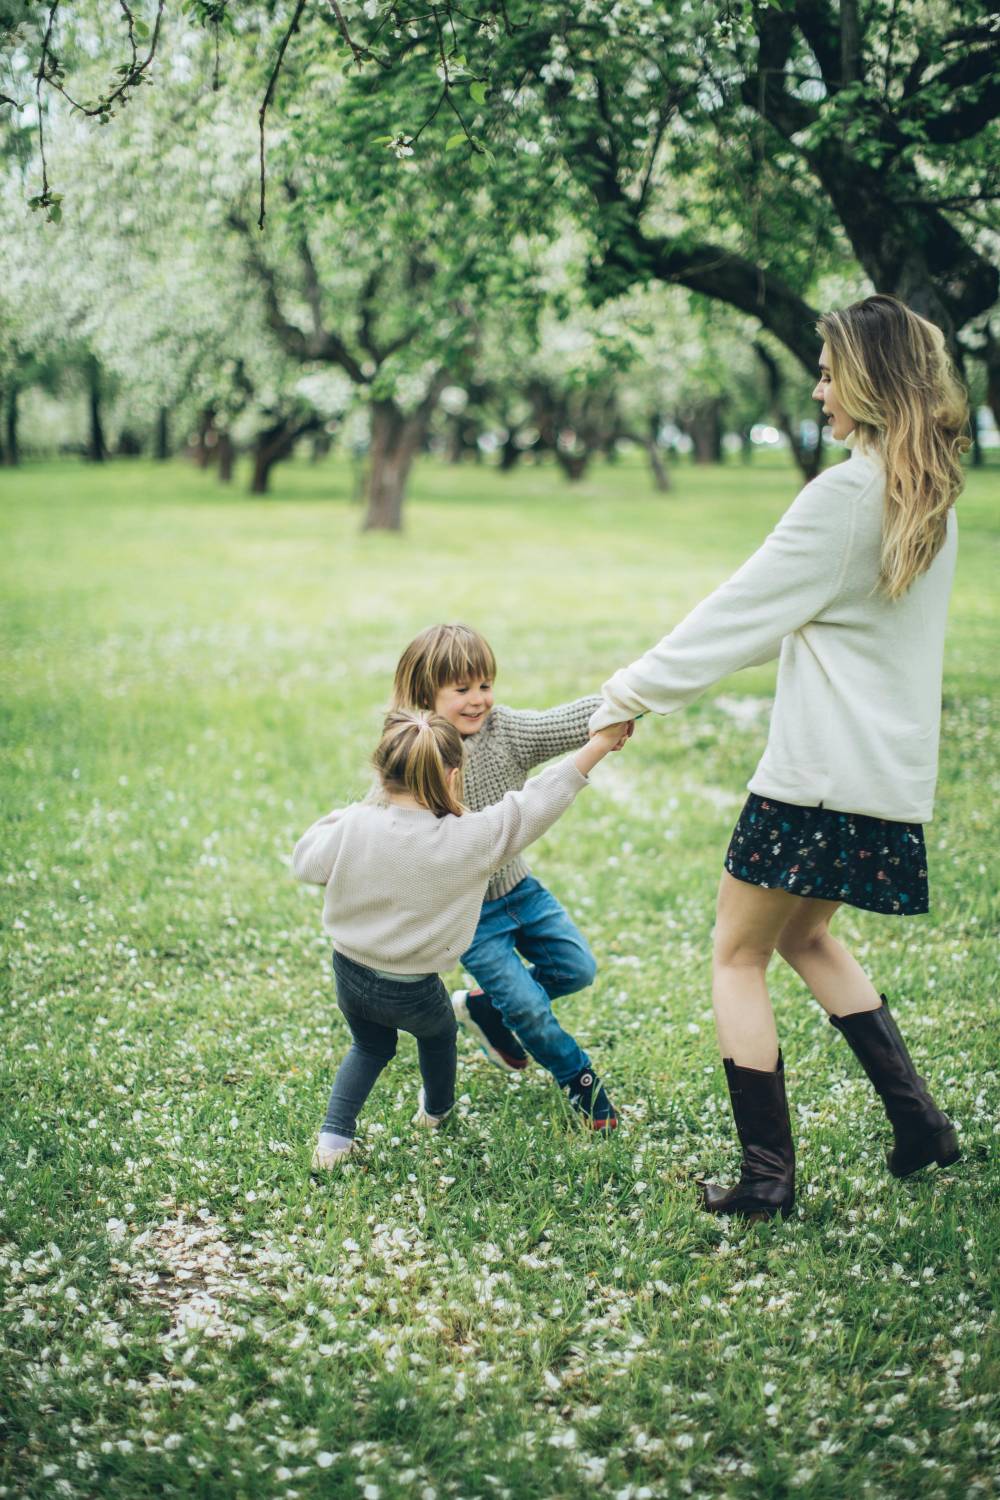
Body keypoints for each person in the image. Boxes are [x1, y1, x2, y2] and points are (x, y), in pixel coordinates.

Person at [590, 294, 967, 1218]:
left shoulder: (845, 497)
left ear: (871, 382)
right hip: (882, 783)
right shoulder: (927, 494)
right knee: (804, 935)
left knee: (736, 957)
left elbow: (734, 615)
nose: (818, 386)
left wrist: (625, 694)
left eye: (832, 370)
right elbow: (786, 617)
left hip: (811, 782)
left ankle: (767, 1183)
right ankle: (921, 1127)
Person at [293, 709, 629, 1169]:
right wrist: (596, 747)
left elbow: (306, 863)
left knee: (368, 1047)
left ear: (382, 773)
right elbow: (535, 803)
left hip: (349, 974)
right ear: (453, 776)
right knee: (439, 1036)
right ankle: (437, 1111)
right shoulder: (469, 838)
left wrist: (353, 814)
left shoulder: (354, 825)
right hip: (412, 988)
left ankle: (332, 1142)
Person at [392, 624, 627, 1130]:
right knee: (530, 1010)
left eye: (485, 685)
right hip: (470, 912)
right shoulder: (416, 751)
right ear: (425, 695)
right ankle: (581, 1084)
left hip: (520, 891)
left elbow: (564, 722)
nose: (479, 701)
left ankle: (485, 1009)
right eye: (462, 690)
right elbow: (392, 826)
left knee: (577, 968)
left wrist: (628, 700)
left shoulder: (506, 731)